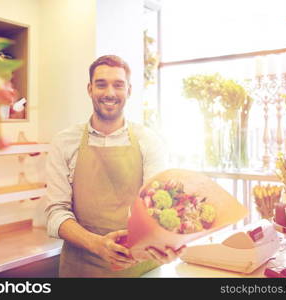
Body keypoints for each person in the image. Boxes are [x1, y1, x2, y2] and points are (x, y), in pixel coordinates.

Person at [44, 55, 185, 278]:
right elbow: (55, 214)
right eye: (101, 84)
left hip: (139, 270)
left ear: (129, 90)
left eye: (118, 85)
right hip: (81, 270)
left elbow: (158, 209)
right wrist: (97, 244)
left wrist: (170, 241)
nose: (109, 93)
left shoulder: (149, 141)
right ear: (90, 89)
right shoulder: (64, 142)